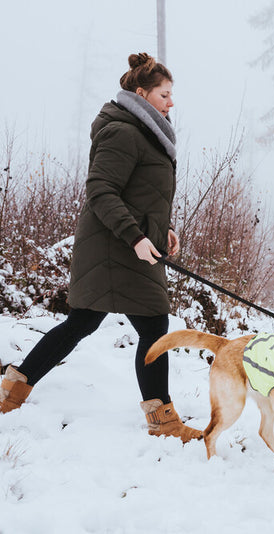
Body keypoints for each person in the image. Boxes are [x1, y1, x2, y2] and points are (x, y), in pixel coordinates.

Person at [0, 53, 202, 443]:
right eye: (164, 94)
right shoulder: (123, 132)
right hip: (116, 247)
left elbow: (142, 193)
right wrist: (137, 237)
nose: (171, 102)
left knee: (83, 322)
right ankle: (163, 421)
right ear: (141, 94)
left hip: (127, 244)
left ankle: (14, 389)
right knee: (154, 325)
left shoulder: (145, 131)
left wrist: (165, 229)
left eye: (171, 94)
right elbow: (101, 191)